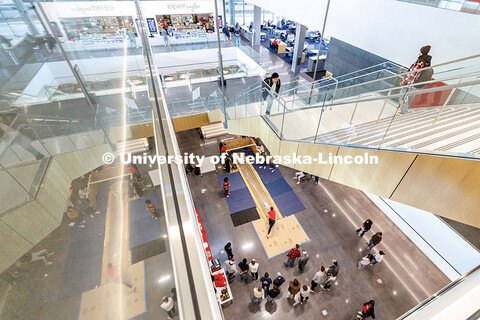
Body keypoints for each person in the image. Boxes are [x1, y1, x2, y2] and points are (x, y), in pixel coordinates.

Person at [399, 45, 433, 114]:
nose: (419, 52)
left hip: (410, 83)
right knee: (406, 96)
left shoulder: (420, 62)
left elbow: (412, 74)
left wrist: (404, 82)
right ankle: (404, 109)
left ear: (421, 52)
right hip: (415, 83)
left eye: (420, 51)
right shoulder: (427, 62)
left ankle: (403, 111)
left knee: (402, 96)